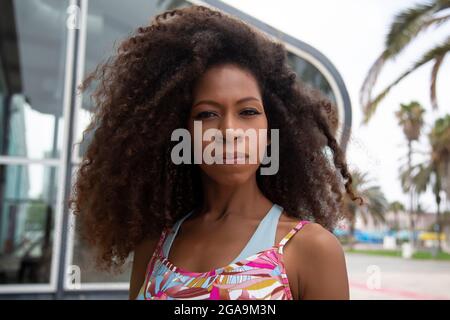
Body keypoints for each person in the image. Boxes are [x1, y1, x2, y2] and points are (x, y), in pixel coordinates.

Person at [69, 5, 363, 300]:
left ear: (273, 131)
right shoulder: (155, 245)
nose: (229, 131)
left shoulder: (310, 250)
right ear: (180, 133)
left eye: (248, 111)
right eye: (207, 114)